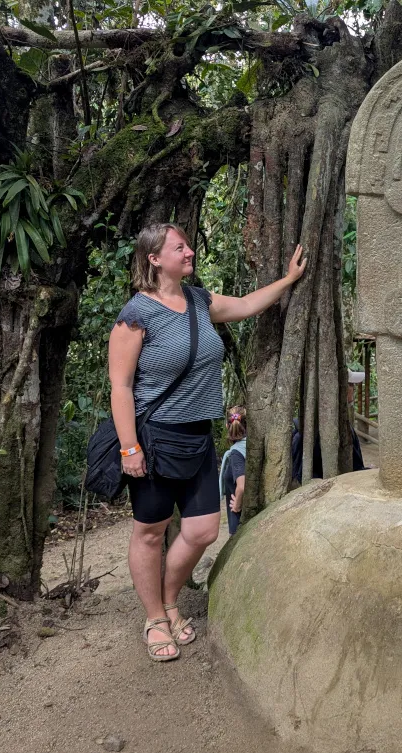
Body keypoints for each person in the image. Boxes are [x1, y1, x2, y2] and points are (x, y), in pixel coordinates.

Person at [108, 223, 305, 661]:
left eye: (188, 245)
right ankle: (156, 618)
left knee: (201, 530)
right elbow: (120, 387)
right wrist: (129, 448)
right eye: (180, 247)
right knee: (149, 533)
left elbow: (248, 305)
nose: (190, 251)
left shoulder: (199, 301)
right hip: (155, 438)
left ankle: (169, 598)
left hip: (199, 434)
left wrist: (289, 280)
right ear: (154, 258)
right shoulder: (136, 314)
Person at [291, 369, 367, 483]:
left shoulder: (304, 427)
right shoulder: (343, 430)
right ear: (341, 389)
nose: (354, 389)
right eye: (351, 385)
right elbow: (356, 468)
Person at [220, 406, 246, 537]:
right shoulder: (250, 446)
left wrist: (236, 506)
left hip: (238, 520)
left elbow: (241, 486)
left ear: (227, 425)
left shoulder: (236, 453)